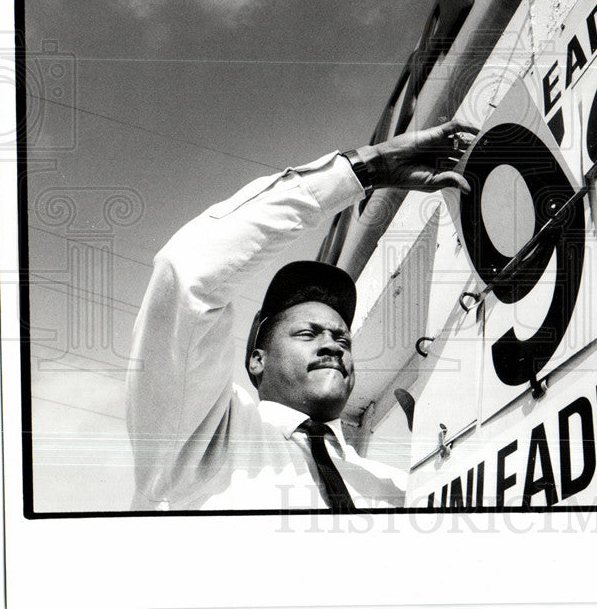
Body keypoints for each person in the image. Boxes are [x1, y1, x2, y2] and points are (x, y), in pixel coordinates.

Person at [126, 120, 476, 511]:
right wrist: (365, 169)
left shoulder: (399, 489)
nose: (333, 345)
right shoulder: (203, 442)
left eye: (343, 338)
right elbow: (187, 271)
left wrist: (443, 469)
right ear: (257, 360)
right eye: (307, 334)